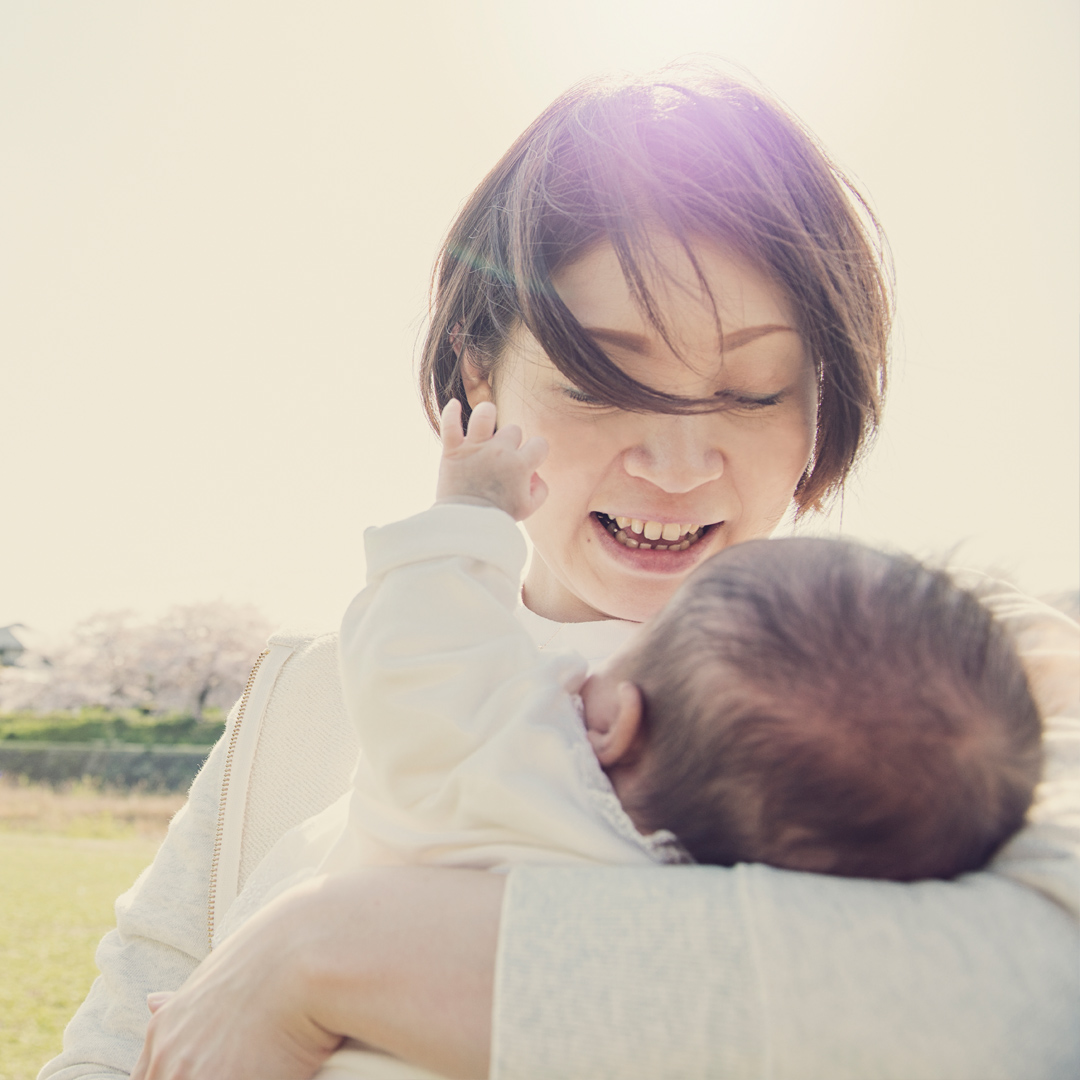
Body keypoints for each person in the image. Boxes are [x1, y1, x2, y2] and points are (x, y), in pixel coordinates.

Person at [44, 64, 1078, 1080]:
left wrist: (323, 953)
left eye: (755, 393)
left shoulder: (969, 672)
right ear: (477, 372)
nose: (677, 465)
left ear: (822, 397)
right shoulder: (297, 706)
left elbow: (1046, 990)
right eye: (602, 381)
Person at [320, 397, 1042, 888]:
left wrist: (470, 511)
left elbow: (413, 659)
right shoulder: (689, 909)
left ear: (613, 722)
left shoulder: (508, 770)